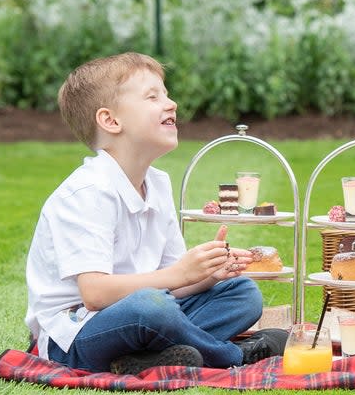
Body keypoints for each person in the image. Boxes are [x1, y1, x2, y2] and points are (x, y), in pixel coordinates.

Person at [24, 52, 286, 374]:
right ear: (110, 121)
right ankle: (234, 356)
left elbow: (172, 284)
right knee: (150, 306)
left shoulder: (157, 184)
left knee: (242, 294)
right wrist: (179, 274)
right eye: (152, 96)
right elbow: (94, 293)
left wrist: (206, 276)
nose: (171, 103)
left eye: (166, 93)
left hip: (146, 315)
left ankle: (149, 360)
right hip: (78, 338)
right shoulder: (87, 193)